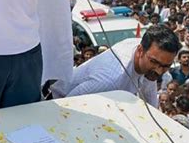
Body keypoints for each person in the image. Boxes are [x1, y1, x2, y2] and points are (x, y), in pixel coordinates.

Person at [52, 25, 181, 107]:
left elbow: (149, 99)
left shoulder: (148, 59)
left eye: (166, 66)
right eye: (154, 62)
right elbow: (67, 105)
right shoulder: (111, 80)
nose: (159, 71)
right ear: (140, 51)